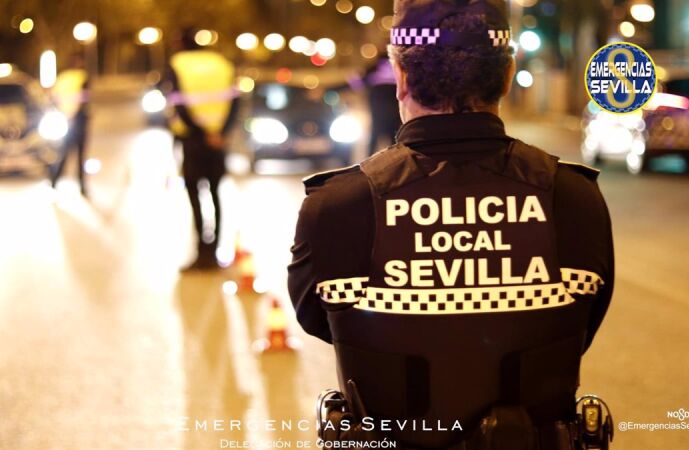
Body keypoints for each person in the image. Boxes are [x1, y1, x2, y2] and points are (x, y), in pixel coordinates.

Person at [288, 1, 614, 449]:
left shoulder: (337, 206)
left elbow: (319, 320)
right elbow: (580, 326)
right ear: (506, 76)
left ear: (401, 78)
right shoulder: (573, 197)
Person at [162, 28, 240, 271]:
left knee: (195, 196)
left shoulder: (178, 64)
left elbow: (179, 104)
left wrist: (201, 132)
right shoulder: (221, 63)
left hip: (193, 140)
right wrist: (221, 132)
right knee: (216, 194)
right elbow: (235, 100)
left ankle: (202, 253)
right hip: (217, 141)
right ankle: (214, 251)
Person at [51, 54, 90, 197]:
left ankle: (54, 182)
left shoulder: (62, 78)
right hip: (78, 119)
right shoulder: (82, 76)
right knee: (79, 155)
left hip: (65, 119)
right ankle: (82, 186)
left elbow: (53, 97)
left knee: (63, 153)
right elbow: (86, 98)